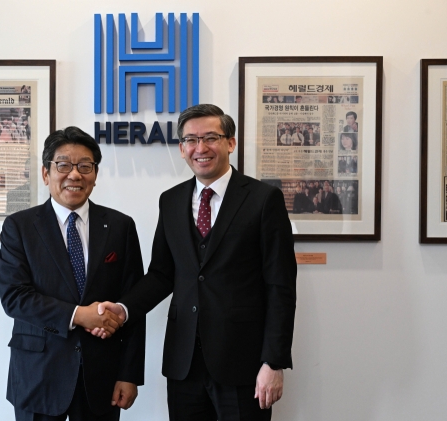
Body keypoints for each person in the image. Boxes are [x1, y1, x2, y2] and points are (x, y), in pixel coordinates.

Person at [94, 104, 297, 421]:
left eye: (210, 138)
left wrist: (274, 361)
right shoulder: (171, 200)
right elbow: (162, 274)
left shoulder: (263, 199)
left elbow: (280, 286)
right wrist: (124, 309)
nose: (200, 148)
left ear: (230, 143)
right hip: (184, 362)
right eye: (191, 140)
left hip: (243, 363)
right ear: (181, 148)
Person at [0, 127, 146, 421]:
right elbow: (14, 297)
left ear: (94, 174)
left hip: (101, 377)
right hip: (38, 374)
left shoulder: (120, 226)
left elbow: (134, 303)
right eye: (63, 165)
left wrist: (129, 375)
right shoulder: (20, 227)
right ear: (45, 173)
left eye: (85, 166)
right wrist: (80, 315)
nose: (74, 175)